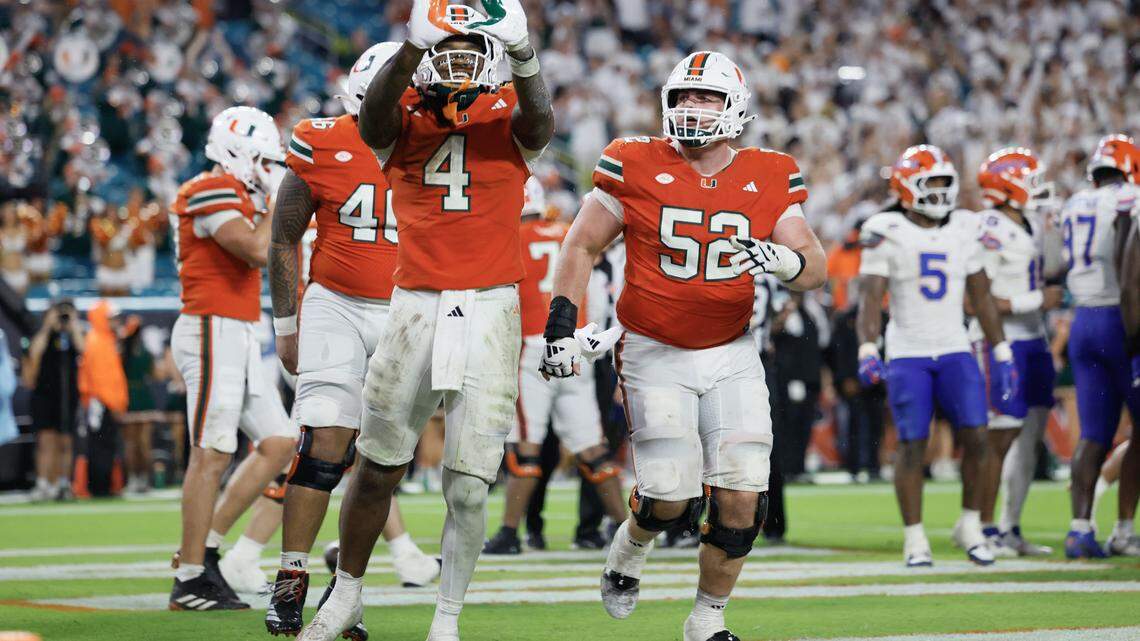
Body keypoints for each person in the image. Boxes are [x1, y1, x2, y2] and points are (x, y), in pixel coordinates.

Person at [541, 50, 826, 641]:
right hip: (654, 349)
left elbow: (816, 269)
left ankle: (707, 618)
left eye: (708, 97)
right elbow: (579, 245)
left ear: (736, 107)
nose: (693, 107)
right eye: (685, 96)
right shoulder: (634, 160)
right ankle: (631, 545)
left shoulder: (770, 172)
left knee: (744, 494)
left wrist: (787, 260)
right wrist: (562, 327)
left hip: (733, 350)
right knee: (669, 497)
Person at [301, 1, 554, 639]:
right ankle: (347, 593)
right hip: (415, 302)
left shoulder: (506, 116)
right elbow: (371, 119)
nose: (458, 59)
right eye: (446, 49)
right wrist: (413, 45)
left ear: (492, 60)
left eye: (472, 50)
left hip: (493, 306)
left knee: (469, 485)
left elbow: (541, 121)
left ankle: (446, 617)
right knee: (378, 462)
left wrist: (524, 53)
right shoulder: (399, 118)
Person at [265, 42, 440, 638]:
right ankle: (290, 577)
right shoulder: (322, 142)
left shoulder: (440, 143)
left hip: (408, 309)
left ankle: (347, 589)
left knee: (382, 464)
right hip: (335, 304)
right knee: (323, 446)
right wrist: (286, 326)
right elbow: (284, 236)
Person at [856, 145, 1016, 568]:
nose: (942, 192)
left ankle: (970, 525)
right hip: (908, 351)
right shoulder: (886, 227)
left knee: (978, 438)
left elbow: (981, 296)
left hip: (955, 348)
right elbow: (870, 297)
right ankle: (915, 538)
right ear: (906, 186)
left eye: (947, 183)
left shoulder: (965, 227)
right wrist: (868, 345)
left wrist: (1001, 350)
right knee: (913, 444)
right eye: (933, 183)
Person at [167, 106, 298, 611]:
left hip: (238, 329)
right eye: (264, 159)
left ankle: (207, 550)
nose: (271, 169)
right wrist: (278, 200)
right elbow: (253, 248)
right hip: (210, 325)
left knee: (279, 442)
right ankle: (190, 576)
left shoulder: (241, 193)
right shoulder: (208, 187)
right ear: (237, 152)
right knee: (212, 451)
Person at [483, 177, 627, 556]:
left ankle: (510, 533)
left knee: (527, 446)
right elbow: (594, 295)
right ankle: (628, 530)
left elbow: (501, 302)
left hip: (532, 348)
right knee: (592, 446)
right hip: (574, 346)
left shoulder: (509, 239)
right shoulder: (568, 231)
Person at [971, 148, 1064, 557]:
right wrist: (1034, 300)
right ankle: (985, 527)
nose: (1038, 187)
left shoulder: (1027, 222)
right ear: (1007, 183)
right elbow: (977, 299)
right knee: (1000, 434)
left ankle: (1010, 526)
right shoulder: (988, 225)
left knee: (1029, 436)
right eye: (1030, 178)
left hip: (1035, 341)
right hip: (1000, 340)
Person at [1060, 134, 1140, 558]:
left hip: (1082, 320)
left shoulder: (1074, 203)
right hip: (1120, 318)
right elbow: (1131, 277)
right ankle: (1125, 529)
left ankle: (1078, 530)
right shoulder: (1131, 199)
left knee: (1092, 435)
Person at [24, 300, 84, 502]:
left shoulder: (71, 334)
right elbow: (35, 353)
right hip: (44, 395)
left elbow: (83, 349)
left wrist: (73, 325)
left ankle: (63, 483)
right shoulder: (42, 335)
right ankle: (43, 484)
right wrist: (49, 326)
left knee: (65, 442)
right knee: (46, 441)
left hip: (67, 395)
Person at [120, 315, 158, 495]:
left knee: (138, 443)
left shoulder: (126, 350)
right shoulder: (134, 351)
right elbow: (155, 373)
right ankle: (138, 479)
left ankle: (140, 479)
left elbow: (154, 373)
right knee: (135, 444)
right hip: (133, 396)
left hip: (136, 396)